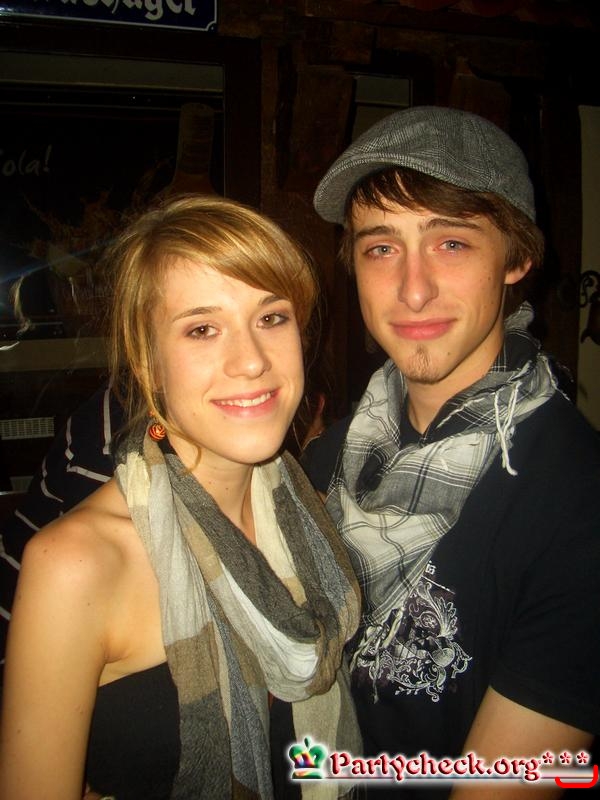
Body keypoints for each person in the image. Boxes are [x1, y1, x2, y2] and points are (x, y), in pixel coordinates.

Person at [0, 194, 361, 800]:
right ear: (148, 363)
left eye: (272, 318)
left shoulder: (313, 518)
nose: (251, 361)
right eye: (201, 329)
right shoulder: (76, 565)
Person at [304, 105, 600, 797]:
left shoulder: (579, 502)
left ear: (517, 259)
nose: (412, 289)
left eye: (452, 243)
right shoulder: (327, 460)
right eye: (381, 248)